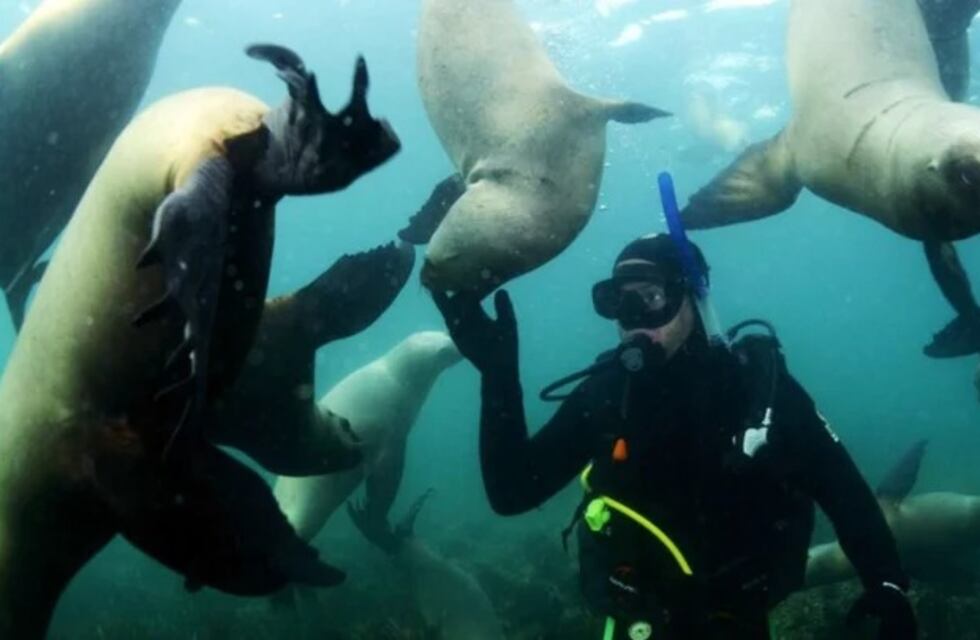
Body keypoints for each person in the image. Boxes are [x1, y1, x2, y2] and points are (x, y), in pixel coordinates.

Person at [433, 233, 917, 639]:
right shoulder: (608, 396)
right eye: (618, 303)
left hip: (736, 621)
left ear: (694, 298)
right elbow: (512, 492)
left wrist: (888, 587)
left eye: (651, 298)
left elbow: (845, 493)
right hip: (635, 624)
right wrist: (498, 375)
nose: (634, 321)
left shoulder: (757, 390)